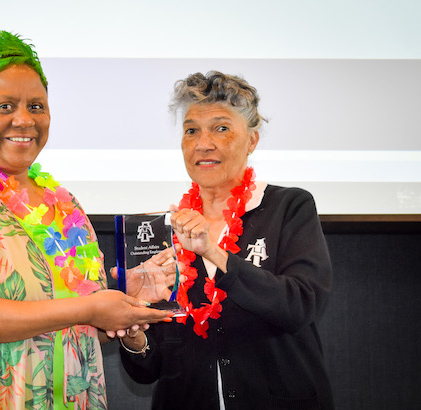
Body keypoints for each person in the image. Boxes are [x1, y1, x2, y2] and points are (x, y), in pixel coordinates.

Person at [0, 30, 175, 409]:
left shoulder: (64, 204)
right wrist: (91, 308)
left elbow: (74, 328)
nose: (24, 119)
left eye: (36, 106)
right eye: (5, 106)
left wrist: (125, 301)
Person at [117, 71, 335, 409]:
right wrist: (134, 329)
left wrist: (215, 254)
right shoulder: (166, 231)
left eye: (221, 128)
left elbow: (300, 305)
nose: (204, 143)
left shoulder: (288, 207)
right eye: (191, 130)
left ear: (252, 141)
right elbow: (149, 370)